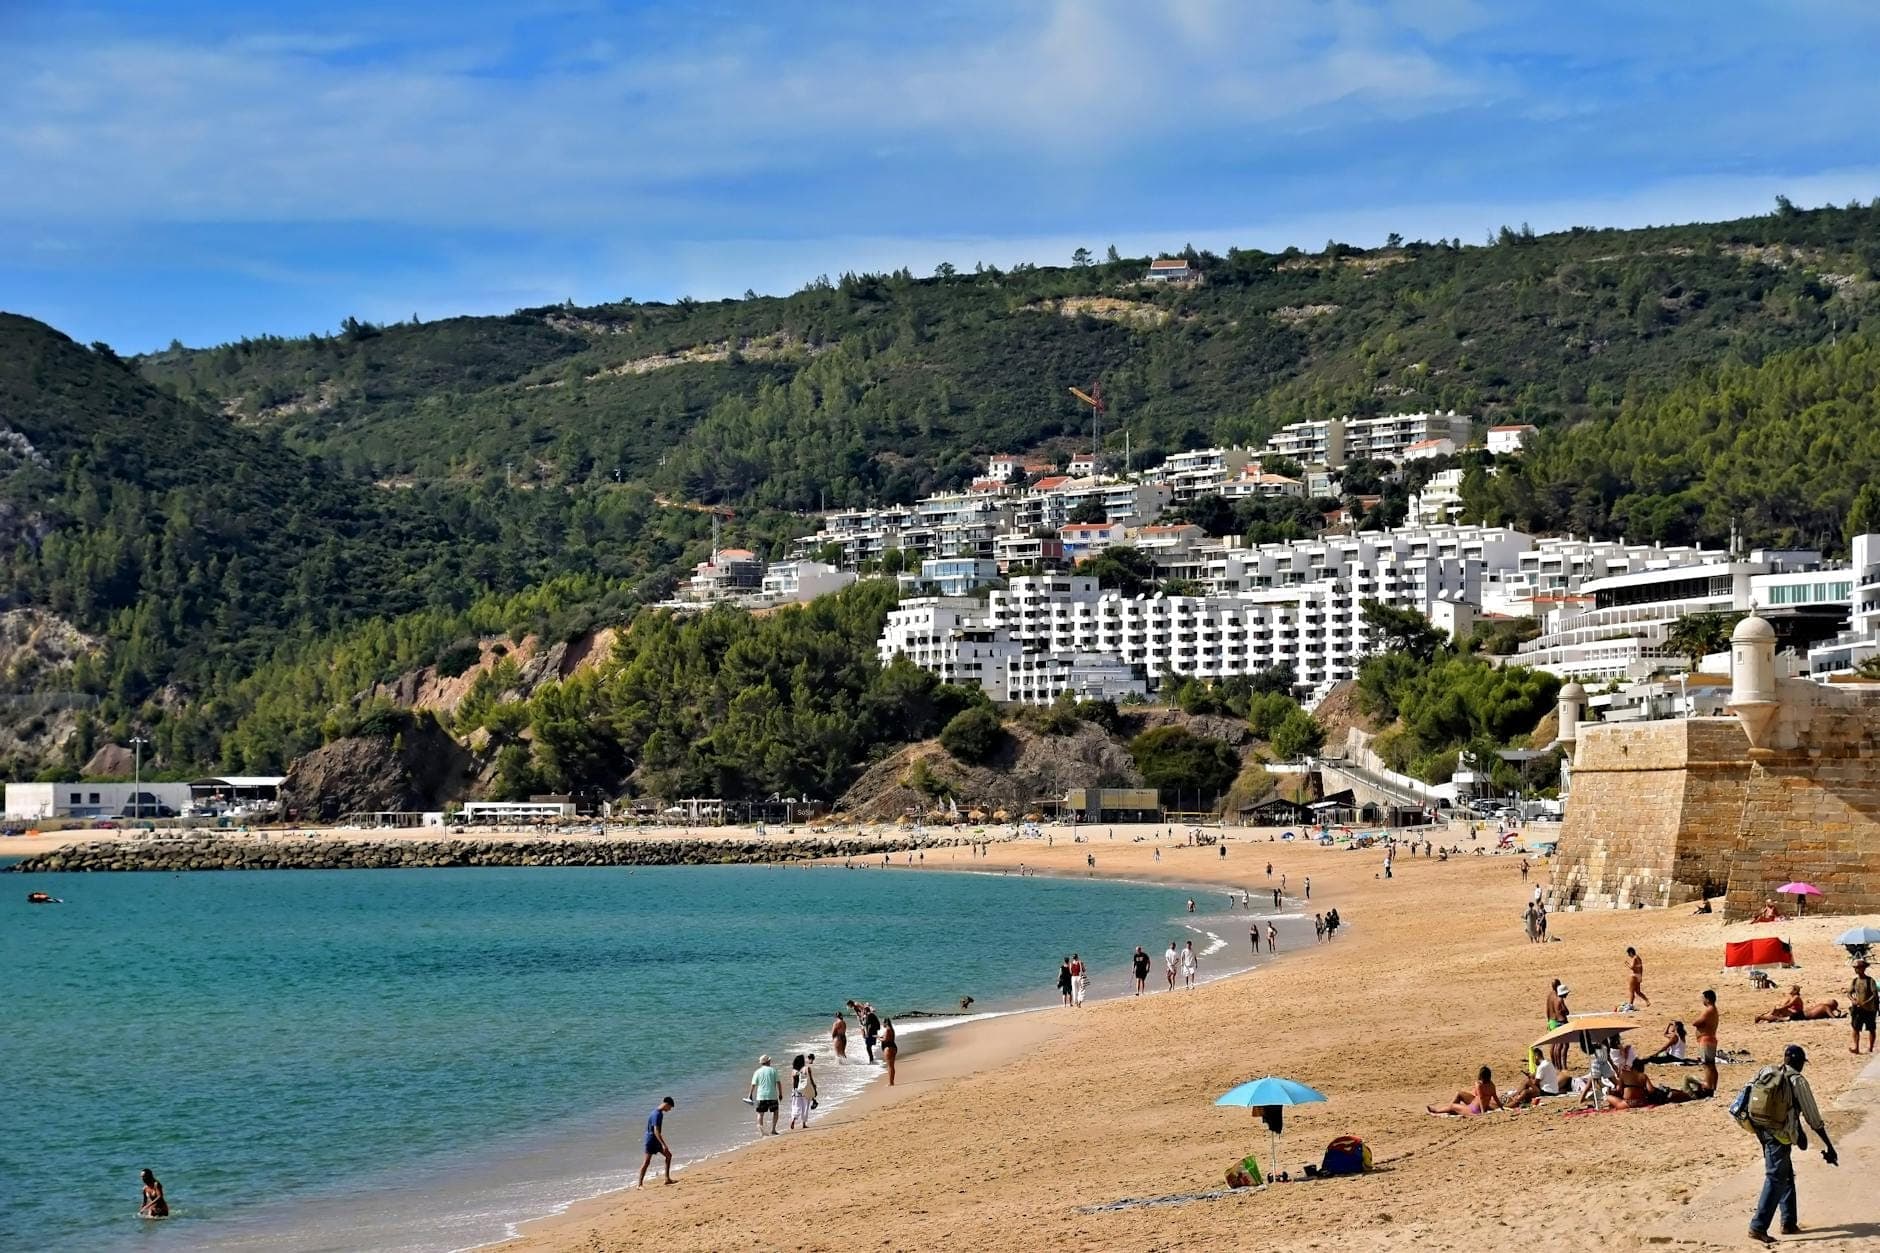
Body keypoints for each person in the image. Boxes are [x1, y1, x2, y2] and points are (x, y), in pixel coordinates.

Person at [1746, 1044, 1838, 1243]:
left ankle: (1788, 1221)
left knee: (1784, 1174)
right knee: (1776, 1177)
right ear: (1799, 1062)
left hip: (1761, 1128)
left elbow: (1749, 1094)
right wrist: (1829, 1145)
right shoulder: (1798, 1081)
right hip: (1779, 1133)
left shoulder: (1767, 1071)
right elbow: (1813, 1118)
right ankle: (1758, 1227)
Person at [1427, 1065, 1503, 1116]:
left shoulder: (1479, 1084)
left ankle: (1437, 1111)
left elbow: (1480, 1098)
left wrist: (1482, 1113)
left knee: (1452, 1106)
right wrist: (1501, 1108)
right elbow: (1495, 1098)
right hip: (1478, 1107)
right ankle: (1451, 1111)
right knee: (1459, 1094)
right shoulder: (1492, 1085)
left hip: (1474, 1109)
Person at [639, 1097, 676, 1185]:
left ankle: (667, 1179)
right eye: (670, 1107)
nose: (669, 1110)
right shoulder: (657, 1114)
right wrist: (663, 1144)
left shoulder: (658, 1113)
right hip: (651, 1140)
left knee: (669, 1156)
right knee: (647, 1162)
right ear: (666, 1104)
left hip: (655, 1140)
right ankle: (639, 1184)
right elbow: (656, 1131)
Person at [1693, 989, 1721, 1095]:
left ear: (1708, 999)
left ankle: (1709, 1087)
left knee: (1707, 1065)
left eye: (1703, 998)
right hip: (1710, 1039)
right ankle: (1713, 1087)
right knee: (1711, 1065)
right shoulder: (1713, 1010)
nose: (1702, 1000)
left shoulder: (1709, 1010)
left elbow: (1697, 1022)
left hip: (1706, 1039)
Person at [1848, 959, 1878, 1055]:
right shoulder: (1855, 981)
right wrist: (1853, 1000)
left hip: (1869, 1009)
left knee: (1871, 1029)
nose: (1856, 970)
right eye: (1855, 968)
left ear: (1863, 968)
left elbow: (1874, 994)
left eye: (1858, 968)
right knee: (1855, 1028)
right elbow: (1849, 992)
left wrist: (1865, 1002)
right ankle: (1856, 1047)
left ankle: (1870, 1048)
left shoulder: (1870, 981)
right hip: (1858, 1009)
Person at [749, 1055, 782, 1135]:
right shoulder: (773, 1070)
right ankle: (773, 1129)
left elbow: (753, 1084)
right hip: (772, 1095)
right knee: (775, 1112)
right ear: (767, 1062)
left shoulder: (757, 1072)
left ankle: (762, 1131)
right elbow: (778, 1082)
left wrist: (750, 1094)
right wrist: (780, 1094)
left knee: (760, 1114)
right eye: (769, 1061)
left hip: (761, 1096)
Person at [1546, 980, 1572, 1071]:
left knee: (1554, 1045)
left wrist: (1549, 1022)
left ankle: (1555, 1065)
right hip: (1560, 1022)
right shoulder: (1558, 998)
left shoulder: (1550, 996)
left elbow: (1547, 1009)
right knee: (1563, 1045)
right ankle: (1562, 1066)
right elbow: (1565, 1012)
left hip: (1551, 1021)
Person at [880, 1017, 898, 1085]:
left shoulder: (887, 1030)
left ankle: (891, 1082)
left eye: (883, 1023)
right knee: (892, 1066)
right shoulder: (892, 1029)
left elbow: (885, 1040)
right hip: (893, 1047)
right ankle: (892, 1081)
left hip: (888, 1048)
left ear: (885, 1023)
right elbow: (888, 1038)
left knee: (890, 1066)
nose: (882, 1024)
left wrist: (878, 1038)